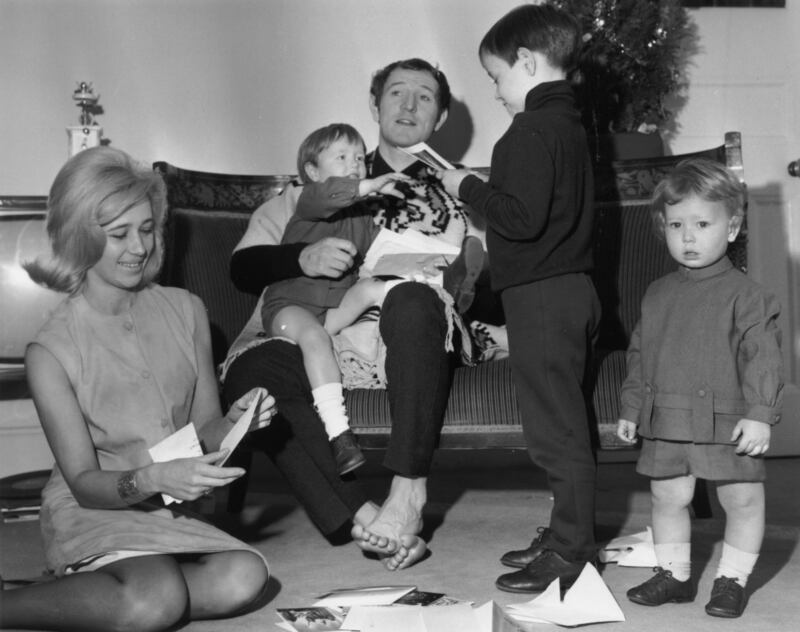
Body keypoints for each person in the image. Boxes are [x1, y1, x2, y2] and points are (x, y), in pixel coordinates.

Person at [223, 58, 487, 571]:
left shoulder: (463, 194)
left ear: (440, 115)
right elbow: (242, 268)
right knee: (254, 375)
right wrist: (300, 257)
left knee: (412, 299)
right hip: (316, 331)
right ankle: (370, 517)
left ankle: (407, 493)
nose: (408, 105)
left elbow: (487, 285)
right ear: (374, 104)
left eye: (424, 96)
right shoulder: (320, 183)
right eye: (396, 92)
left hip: (411, 333)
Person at [0, 146, 275, 631]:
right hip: (95, 505)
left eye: (147, 229)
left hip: (171, 506)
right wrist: (151, 480)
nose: (139, 247)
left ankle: (107, 590)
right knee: (156, 600)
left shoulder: (186, 310)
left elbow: (205, 431)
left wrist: (236, 423)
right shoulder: (51, 350)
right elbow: (83, 482)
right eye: (119, 234)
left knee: (245, 576)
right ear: (80, 235)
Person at [438, 4, 600, 592]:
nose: (496, 91)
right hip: (570, 291)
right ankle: (566, 531)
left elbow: (522, 219)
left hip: (543, 297)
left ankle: (572, 549)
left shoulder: (528, 131)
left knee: (555, 431)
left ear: (527, 62)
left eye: (496, 76)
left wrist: (466, 186)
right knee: (566, 421)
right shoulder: (569, 124)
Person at [616, 159, 783, 618]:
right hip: (668, 417)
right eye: (676, 225)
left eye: (702, 224)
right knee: (668, 497)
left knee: (741, 499)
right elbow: (639, 354)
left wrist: (759, 413)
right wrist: (631, 407)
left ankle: (732, 579)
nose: (688, 237)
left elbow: (763, 357)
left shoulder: (749, 296)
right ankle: (675, 575)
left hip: (728, 420)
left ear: (732, 228)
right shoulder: (657, 293)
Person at [260, 122, 410, 476]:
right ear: (313, 171)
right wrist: (368, 186)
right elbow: (332, 193)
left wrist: (418, 257)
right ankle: (339, 435)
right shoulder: (309, 200)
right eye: (341, 157)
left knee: (375, 288)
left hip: (330, 312)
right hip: (289, 308)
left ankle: (439, 282)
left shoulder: (362, 217)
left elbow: (380, 254)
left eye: (359, 158)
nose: (354, 164)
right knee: (314, 336)